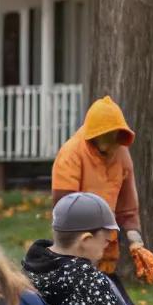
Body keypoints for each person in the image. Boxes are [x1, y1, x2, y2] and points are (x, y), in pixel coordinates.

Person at [52, 96, 145, 279]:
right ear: (96, 137)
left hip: (107, 245)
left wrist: (136, 240)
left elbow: (127, 205)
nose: (113, 150)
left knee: (114, 301)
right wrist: (79, 248)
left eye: (116, 139)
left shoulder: (121, 152)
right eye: (108, 143)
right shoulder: (70, 154)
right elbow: (65, 211)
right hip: (78, 246)